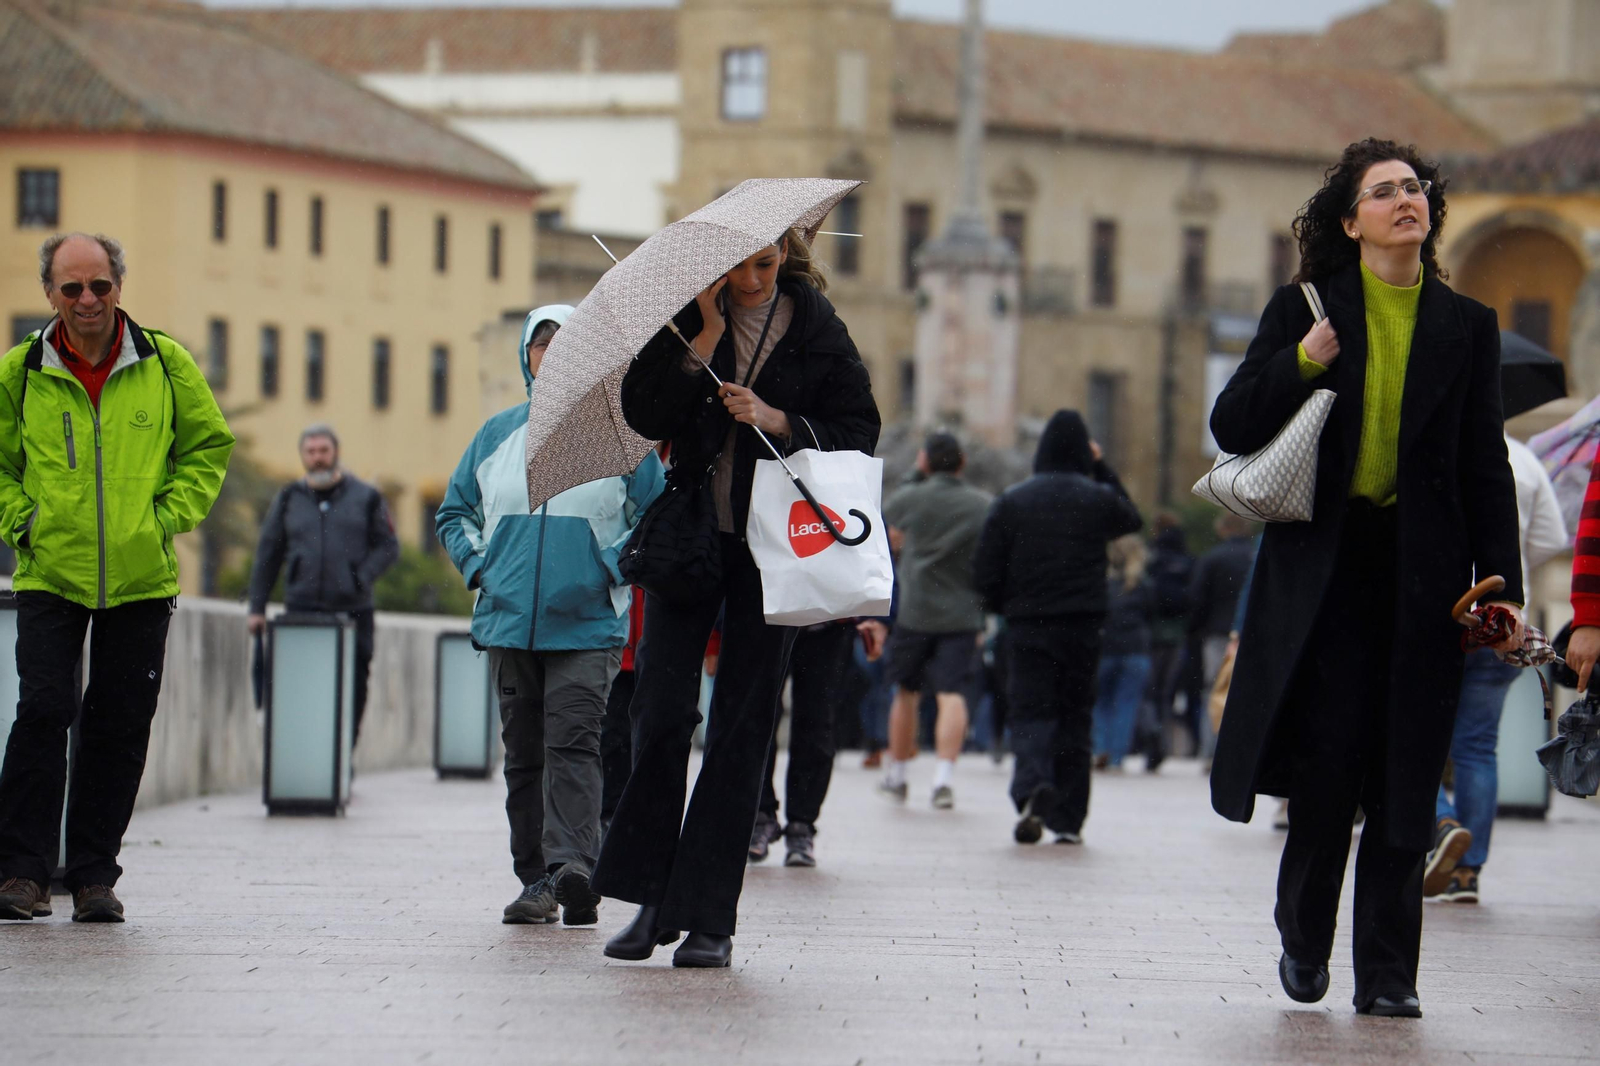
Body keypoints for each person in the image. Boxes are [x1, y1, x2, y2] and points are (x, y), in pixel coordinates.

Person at [1209, 138, 1524, 1019]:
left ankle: (1389, 975)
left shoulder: (1468, 326)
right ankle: (1304, 937)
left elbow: (1483, 467)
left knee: (1407, 776)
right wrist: (1303, 359)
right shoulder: (1304, 308)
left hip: (1427, 580)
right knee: (1330, 769)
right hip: (1326, 577)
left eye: (1413, 188)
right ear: (1350, 223)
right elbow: (1231, 423)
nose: (1403, 200)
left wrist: (1499, 590)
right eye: (1382, 192)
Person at [594, 230, 880, 969]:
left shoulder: (816, 325)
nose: (752, 279)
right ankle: (652, 899)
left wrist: (778, 419)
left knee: (742, 729)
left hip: (773, 549)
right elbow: (645, 413)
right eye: (739, 266)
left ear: (785, 256)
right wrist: (704, 334)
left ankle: (708, 917)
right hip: (689, 539)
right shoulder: (691, 316)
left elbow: (861, 430)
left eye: (766, 263)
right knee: (657, 715)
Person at [0, 232, 233, 923]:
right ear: (50, 294)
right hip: (50, 573)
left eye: (99, 285)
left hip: (140, 578)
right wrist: (24, 522)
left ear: (118, 287)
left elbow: (208, 446)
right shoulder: (20, 371)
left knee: (119, 724)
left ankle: (94, 875)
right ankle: (21, 874)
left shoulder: (164, 363)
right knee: (44, 712)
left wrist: (166, 517)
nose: (88, 300)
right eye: (72, 288)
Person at [437, 305, 663, 927]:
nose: (553, 356)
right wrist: (482, 569)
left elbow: (658, 516)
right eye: (543, 346)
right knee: (524, 755)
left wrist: (611, 566)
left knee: (574, 743)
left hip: (587, 624)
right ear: (526, 356)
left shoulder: (622, 440)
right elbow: (454, 513)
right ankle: (534, 878)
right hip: (509, 621)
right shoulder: (495, 436)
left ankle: (573, 870)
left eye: (568, 346)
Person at [973, 411, 1143, 846]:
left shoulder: (1013, 501)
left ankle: (1032, 786)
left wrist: (1002, 606)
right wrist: (1101, 468)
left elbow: (985, 570)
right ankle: (1068, 817)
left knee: (1029, 710)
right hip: (1083, 625)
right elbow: (1131, 519)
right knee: (1075, 716)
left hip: (1029, 624)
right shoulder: (1096, 499)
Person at [1428, 433, 1566, 903]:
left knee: (1408, 737)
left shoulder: (1436, 441)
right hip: (1504, 619)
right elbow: (1550, 538)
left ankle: (1442, 822)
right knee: (1477, 746)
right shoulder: (1523, 458)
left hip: (1440, 612)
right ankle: (1468, 872)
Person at [247, 423, 399, 749]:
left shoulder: (367, 497)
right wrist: (256, 608)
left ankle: (344, 757)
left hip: (353, 610)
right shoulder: (288, 498)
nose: (317, 458)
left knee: (353, 685)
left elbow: (388, 546)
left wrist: (361, 576)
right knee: (304, 687)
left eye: (323, 451)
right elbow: (267, 555)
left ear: (335, 453)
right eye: (311, 452)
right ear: (303, 455)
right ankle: (310, 758)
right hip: (302, 609)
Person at [876, 431, 992, 809]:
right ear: (962, 463)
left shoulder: (914, 497)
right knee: (952, 693)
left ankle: (897, 773)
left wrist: (915, 475)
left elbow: (888, 511)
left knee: (905, 691)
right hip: (962, 612)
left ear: (925, 461)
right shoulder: (981, 505)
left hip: (915, 609)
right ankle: (943, 777)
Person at [749, 617, 859, 867]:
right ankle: (760, 815)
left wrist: (877, 616)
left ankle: (802, 825)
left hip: (829, 622)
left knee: (817, 721)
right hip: (767, 616)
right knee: (758, 717)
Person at [1186, 512, 1256, 759]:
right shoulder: (1255, 557)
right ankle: (1242, 752)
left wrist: (1194, 630)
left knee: (1214, 690)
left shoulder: (1212, 558)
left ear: (1223, 529)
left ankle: (1211, 750)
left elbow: (1197, 599)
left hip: (1217, 633)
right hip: (1251, 632)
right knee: (1248, 691)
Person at [1091, 535, 1154, 771]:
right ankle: (1118, 755)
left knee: (1101, 702)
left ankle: (1100, 748)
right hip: (1135, 649)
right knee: (1126, 703)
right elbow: (1152, 614)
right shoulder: (1143, 584)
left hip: (1105, 648)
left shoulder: (1101, 583)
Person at [1137, 514, 1194, 769]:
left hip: (1151, 633)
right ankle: (1163, 738)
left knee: (1148, 692)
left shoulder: (1151, 559)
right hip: (1178, 634)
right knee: (1166, 693)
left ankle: (1152, 737)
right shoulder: (1187, 560)